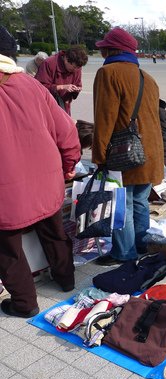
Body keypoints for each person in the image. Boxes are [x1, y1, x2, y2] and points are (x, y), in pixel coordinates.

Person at [0, 26, 81, 318]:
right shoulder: (31, 85)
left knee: (8, 251)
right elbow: (67, 132)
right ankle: (67, 279)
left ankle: (24, 303)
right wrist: (70, 166)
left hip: (6, 191)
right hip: (47, 181)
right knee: (54, 232)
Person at [92, 27, 164, 266]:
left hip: (126, 154)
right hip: (150, 151)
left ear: (112, 50)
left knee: (122, 203)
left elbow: (105, 118)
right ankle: (142, 245)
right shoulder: (148, 78)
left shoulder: (108, 73)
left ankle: (124, 252)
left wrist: (100, 155)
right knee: (140, 201)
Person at [35, 46, 88, 115]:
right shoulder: (49, 63)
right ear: (66, 59)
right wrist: (61, 87)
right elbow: (39, 87)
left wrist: (76, 89)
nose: (75, 70)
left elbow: (78, 84)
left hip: (64, 106)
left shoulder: (77, 67)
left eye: (78, 68)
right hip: (47, 106)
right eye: (74, 67)